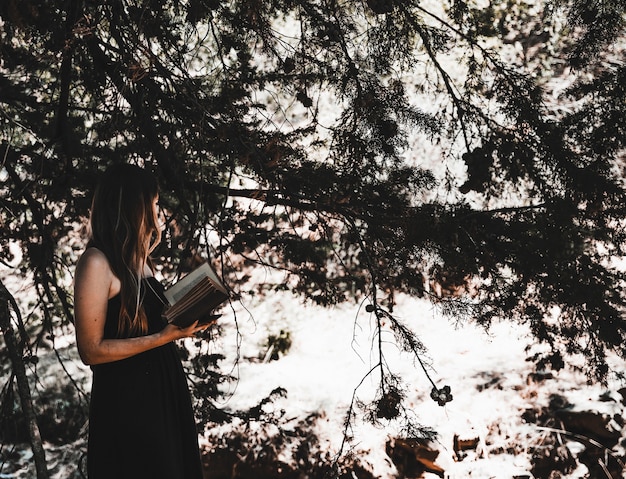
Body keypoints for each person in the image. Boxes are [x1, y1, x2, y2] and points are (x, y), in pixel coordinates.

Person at [73, 163, 207, 479]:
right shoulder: (96, 262)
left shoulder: (137, 261)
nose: (158, 212)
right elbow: (90, 350)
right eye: (154, 204)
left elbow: (144, 323)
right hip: (128, 399)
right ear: (136, 207)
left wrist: (185, 314)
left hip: (162, 388)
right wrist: (164, 337)